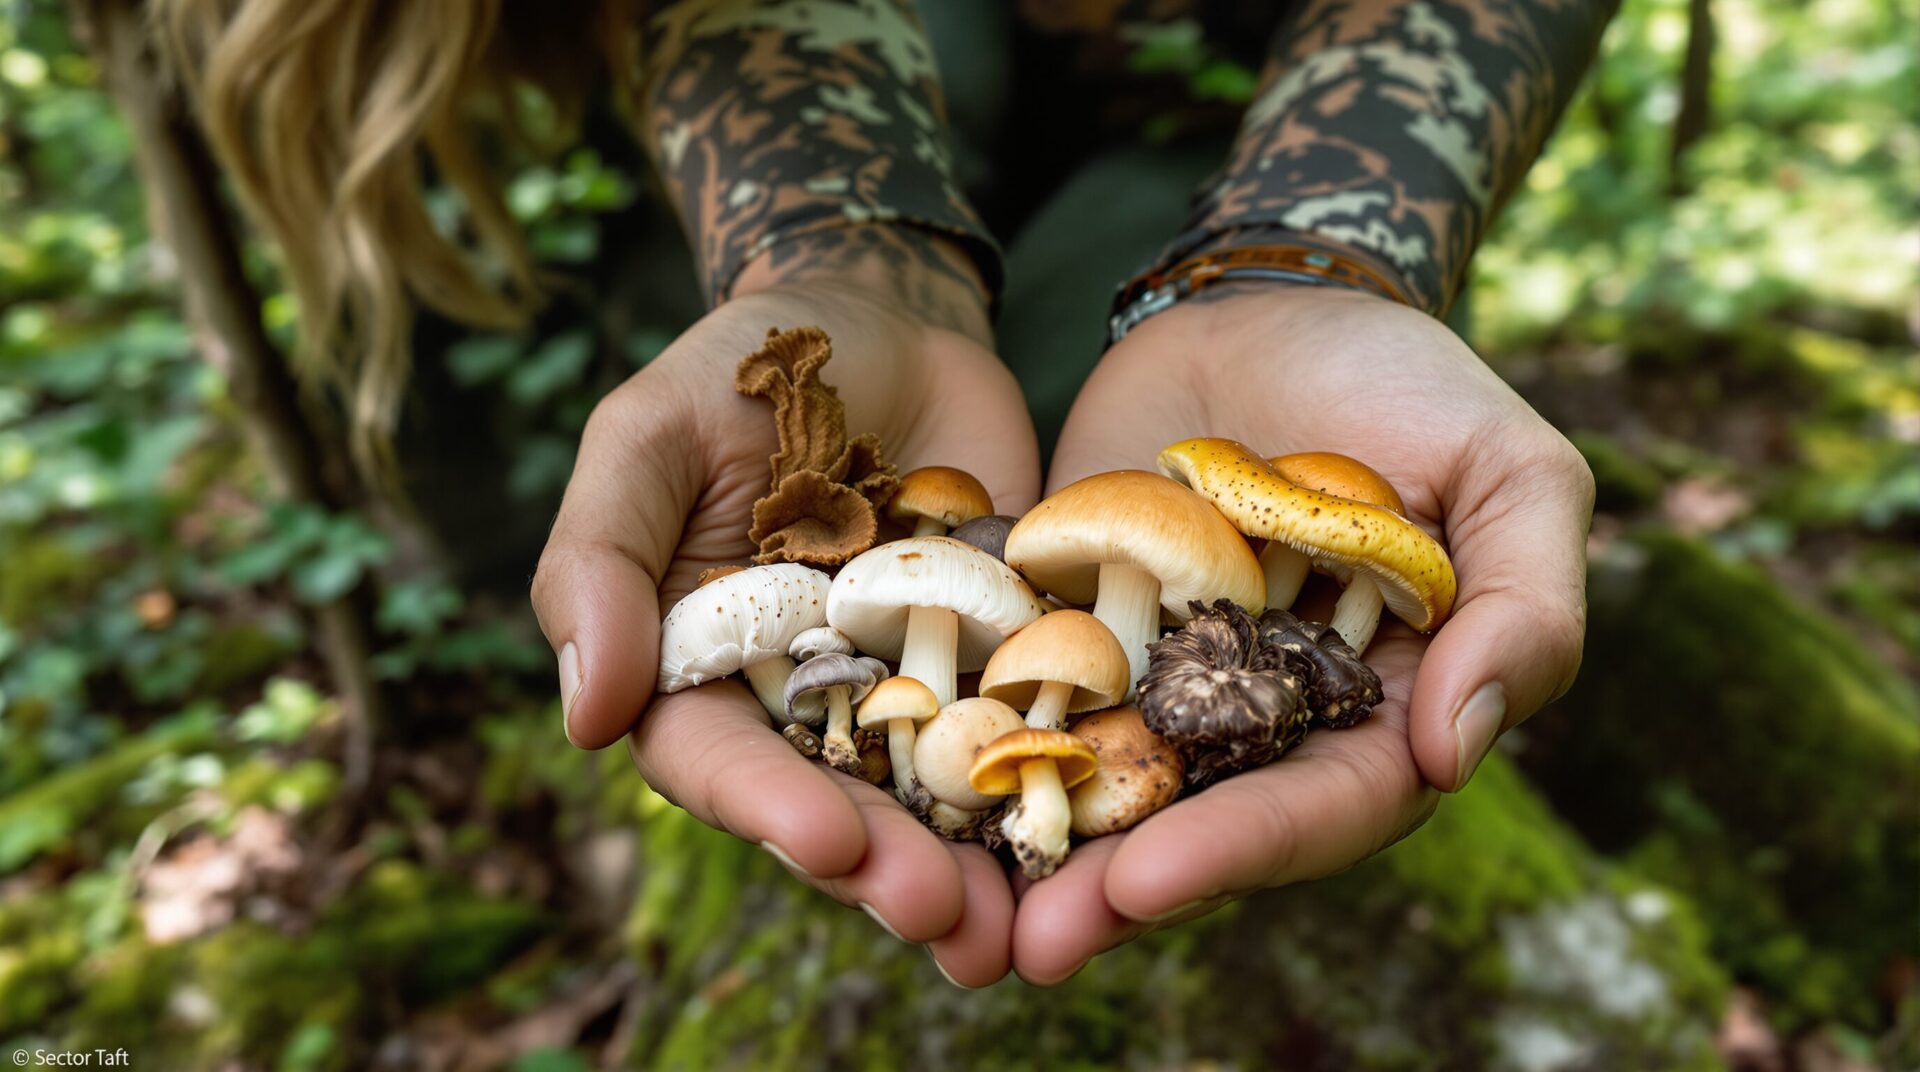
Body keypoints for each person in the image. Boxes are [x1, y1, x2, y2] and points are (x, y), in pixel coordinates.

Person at [166, 0, 1609, 988]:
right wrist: (847, 249)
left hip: (1240, 85)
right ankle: (526, 727)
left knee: (1069, 394)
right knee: (528, 422)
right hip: (821, 76)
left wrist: (1323, 248)